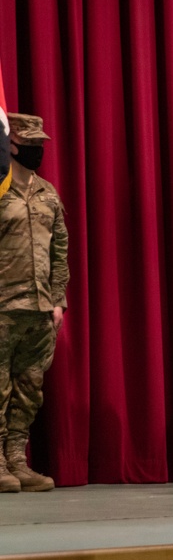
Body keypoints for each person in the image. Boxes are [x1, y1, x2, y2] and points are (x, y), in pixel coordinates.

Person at [0, 113, 68, 492]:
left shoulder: (48, 193)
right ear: (11, 144)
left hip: (40, 309)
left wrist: (58, 300)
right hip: (3, 304)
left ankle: (16, 460)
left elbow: (60, 248)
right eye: (31, 145)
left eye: (41, 145)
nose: (37, 151)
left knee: (28, 391)